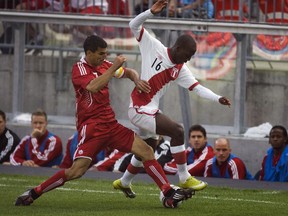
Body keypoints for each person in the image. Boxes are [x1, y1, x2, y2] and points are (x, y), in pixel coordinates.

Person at [15, 35, 194, 208]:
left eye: (106, 53)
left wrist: (136, 79)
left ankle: (168, 192)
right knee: (76, 172)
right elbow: (93, 86)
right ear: (89, 53)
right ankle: (34, 192)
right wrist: (113, 67)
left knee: (147, 151)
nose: (105, 57)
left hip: (111, 125)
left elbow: (129, 72)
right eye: (101, 53)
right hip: (92, 128)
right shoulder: (80, 68)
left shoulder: (105, 65)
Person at [113, 0, 231, 198]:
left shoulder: (180, 69)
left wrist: (218, 98)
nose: (190, 58)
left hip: (149, 109)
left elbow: (197, 88)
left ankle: (124, 181)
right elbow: (133, 25)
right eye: (189, 54)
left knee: (148, 147)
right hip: (139, 108)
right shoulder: (154, 47)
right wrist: (150, 12)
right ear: (178, 47)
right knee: (178, 131)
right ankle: (184, 176)